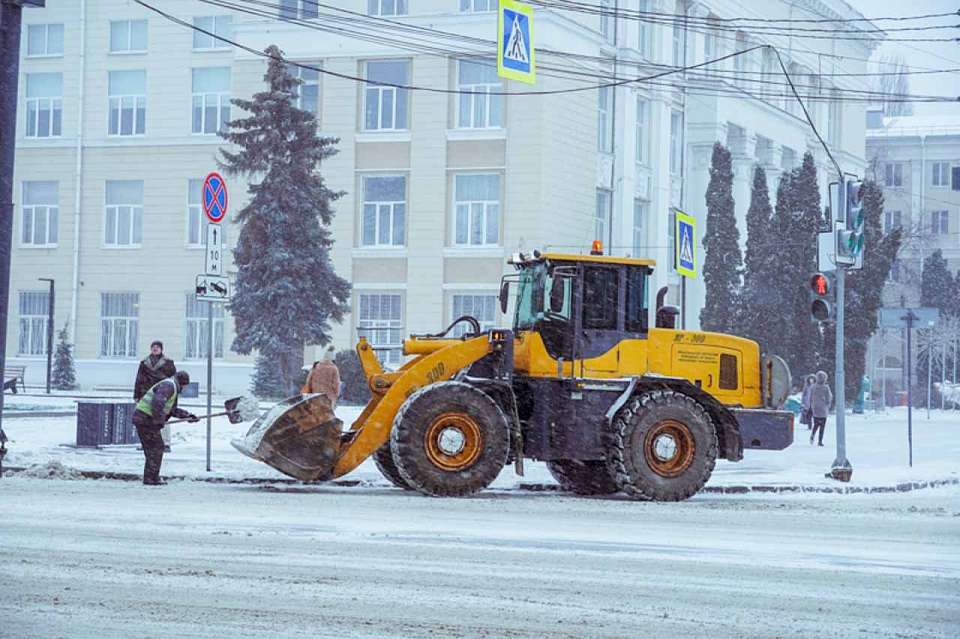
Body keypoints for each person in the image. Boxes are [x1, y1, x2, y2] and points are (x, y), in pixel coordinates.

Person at [133, 371, 198, 485]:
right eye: (185, 386)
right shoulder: (169, 386)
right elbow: (158, 402)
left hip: (143, 418)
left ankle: (150, 477)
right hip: (146, 419)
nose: (184, 389)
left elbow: (171, 409)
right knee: (157, 447)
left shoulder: (171, 386)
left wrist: (187, 416)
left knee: (152, 449)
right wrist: (158, 420)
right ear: (182, 383)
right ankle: (151, 478)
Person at [134, 340, 177, 451]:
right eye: (153, 346)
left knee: (163, 417)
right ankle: (146, 442)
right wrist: (137, 395)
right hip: (147, 394)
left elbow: (173, 378)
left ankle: (166, 443)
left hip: (163, 393)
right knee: (146, 420)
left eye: (157, 347)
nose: (155, 348)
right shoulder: (144, 363)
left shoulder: (168, 363)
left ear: (161, 349)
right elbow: (139, 379)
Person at [809, 370, 833, 447]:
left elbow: (810, 397)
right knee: (822, 425)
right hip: (823, 408)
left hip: (815, 407)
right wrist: (828, 404)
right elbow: (829, 398)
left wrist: (812, 404)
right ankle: (820, 441)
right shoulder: (826, 388)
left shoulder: (813, 387)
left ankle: (813, 434)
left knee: (816, 424)